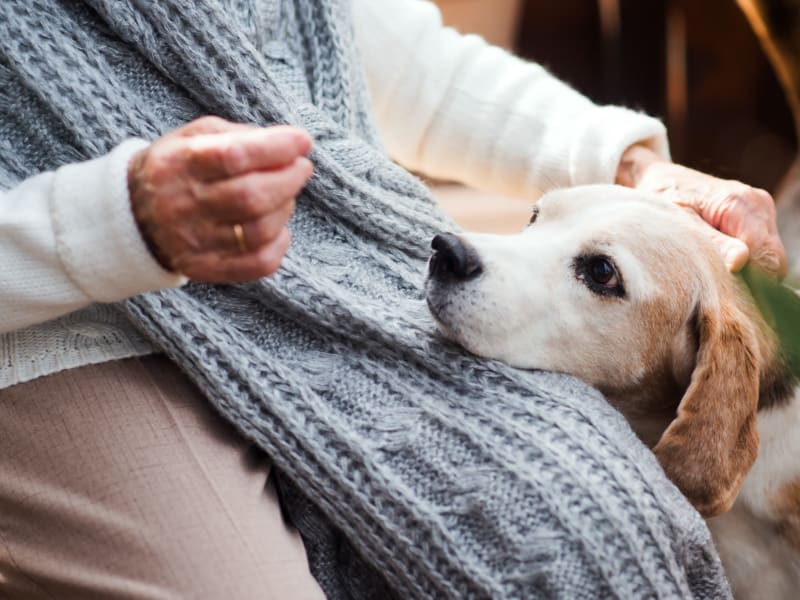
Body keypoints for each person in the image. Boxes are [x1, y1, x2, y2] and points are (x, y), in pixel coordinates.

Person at [0, 0, 784, 598]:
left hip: (337, 273)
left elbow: (414, 68)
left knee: (593, 520)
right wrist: (110, 222)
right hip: (62, 327)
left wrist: (631, 167)